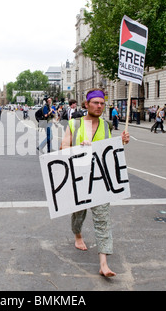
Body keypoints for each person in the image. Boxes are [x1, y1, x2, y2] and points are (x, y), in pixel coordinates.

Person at [60, 88, 130, 278]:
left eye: (102, 103)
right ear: (86, 104)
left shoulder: (106, 125)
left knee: (103, 219)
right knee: (79, 213)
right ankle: (78, 234)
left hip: (100, 178)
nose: (99, 106)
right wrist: (78, 148)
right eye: (96, 103)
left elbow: (109, 149)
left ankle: (103, 263)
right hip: (79, 176)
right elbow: (63, 146)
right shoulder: (74, 124)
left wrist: (121, 142)